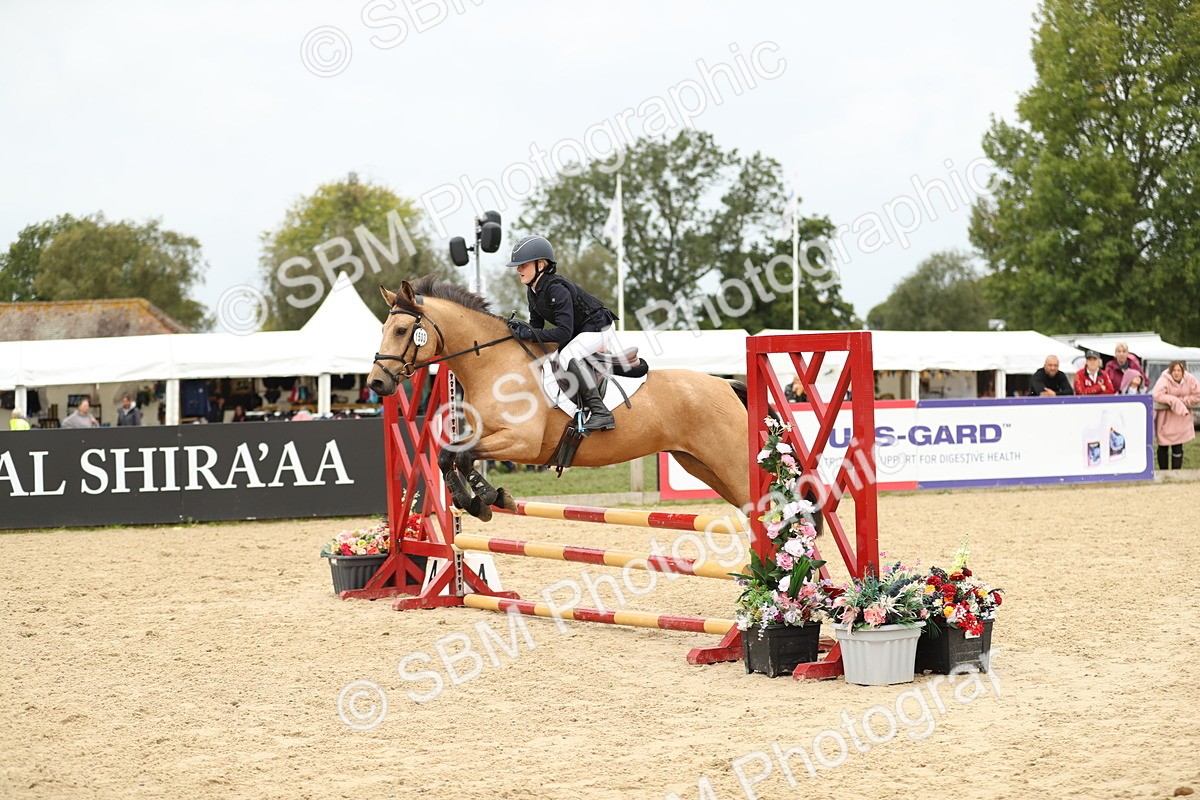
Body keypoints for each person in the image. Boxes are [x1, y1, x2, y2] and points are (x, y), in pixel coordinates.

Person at [504, 235, 619, 432]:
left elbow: (563, 332)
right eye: (518, 265)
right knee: (550, 358)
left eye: (523, 264)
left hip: (599, 327)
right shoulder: (533, 291)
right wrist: (520, 332)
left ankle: (601, 412)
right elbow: (536, 328)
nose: (518, 269)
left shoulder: (556, 288)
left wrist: (529, 333)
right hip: (580, 331)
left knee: (566, 356)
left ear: (541, 264)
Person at [1152, 360, 1200, 470]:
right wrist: (1173, 401)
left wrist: (1183, 401)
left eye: (1179, 370)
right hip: (1165, 420)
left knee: (1178, 446)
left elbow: (1197, 395)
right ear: (1170, 371)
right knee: (1163, 446)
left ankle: (1176, 473)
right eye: (1174, 370)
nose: (1176, 373)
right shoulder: (1164, 379)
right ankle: (1164, 473)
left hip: (1180, 419)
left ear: (1183, 372)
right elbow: (1157, 395)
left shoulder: (1190, 379)